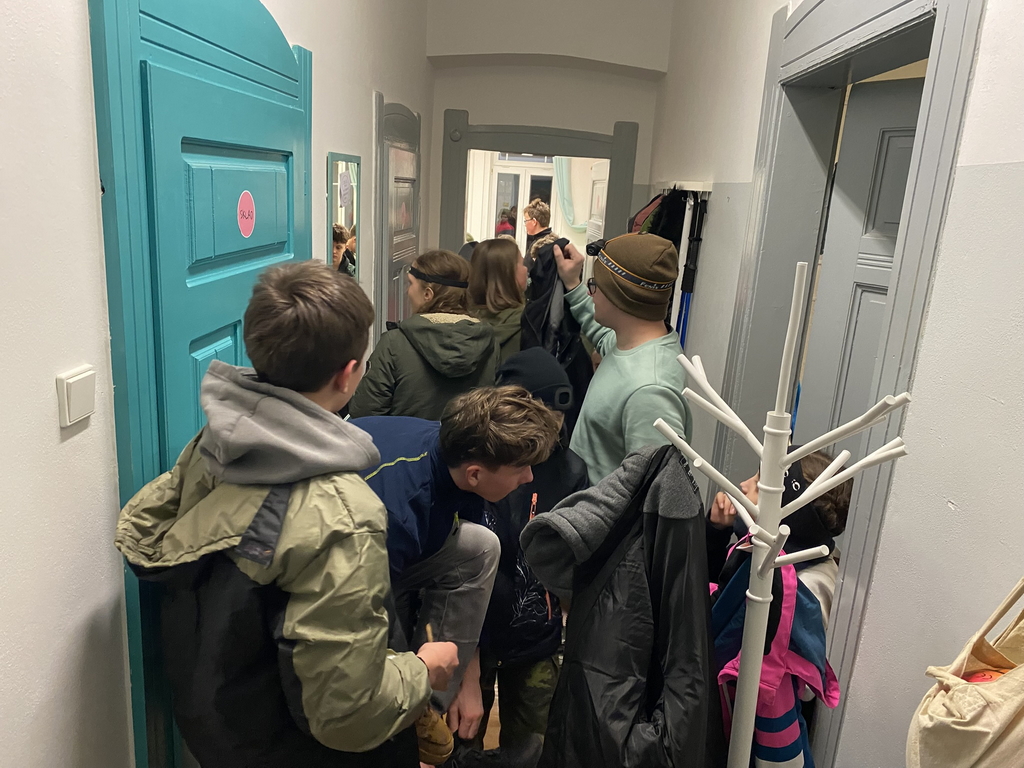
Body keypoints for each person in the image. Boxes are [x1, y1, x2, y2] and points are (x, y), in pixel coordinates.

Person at [114, 262, 460, 768]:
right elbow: (347, 713)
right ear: (348, 375)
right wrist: (423, 671)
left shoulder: (215, 444)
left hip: (225, 735)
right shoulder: (343, 514)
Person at [352, 387, 563, 750]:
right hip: (342, 571)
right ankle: (405, 724)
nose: (529, 478)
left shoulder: (456, 450)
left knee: (480, 546)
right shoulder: (397, 514)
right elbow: (369, 617)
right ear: (475, 474)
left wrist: (468, 672)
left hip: (390, 553)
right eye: (520, 469)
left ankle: (430, 709)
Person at [457, 348, 590, 767]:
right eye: (545, 413)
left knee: (535, 750)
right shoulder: (477, 464)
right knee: (459, 746)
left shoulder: (570, 472)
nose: (555, 425)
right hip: (473, 635)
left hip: (537, 637)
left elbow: (574, 558)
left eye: (561, 414)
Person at [553, 234, 692, 484]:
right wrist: (573, 284)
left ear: (621, 296)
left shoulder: (650, 391)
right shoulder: (631, 345)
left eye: (595, 285)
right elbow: (603, 336)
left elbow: (651, 494)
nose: (591, 293)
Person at [706, 448, 853, 626]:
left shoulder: (804, 592)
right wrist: (716, 531)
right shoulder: (765, 552)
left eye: (759, 486)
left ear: (788, 516)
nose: (744, 485)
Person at [350, 249, 498, 420]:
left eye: (410, 283)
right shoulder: (488, 342)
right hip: (467, 438)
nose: (407, 291)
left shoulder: (394, 343)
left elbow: (365, 414)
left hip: (407, 438)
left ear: (428, 294)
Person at [469, 238, 528, 364]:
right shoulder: (527, 322)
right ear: (508, 274)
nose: (526, 269)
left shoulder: (462, 319)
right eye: (522, 263)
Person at [523, 199, 555, 268]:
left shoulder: (541, 245)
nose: (525, 224)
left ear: (534, 222)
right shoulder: (554, 241)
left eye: (526, 221)